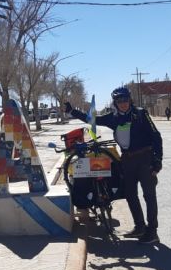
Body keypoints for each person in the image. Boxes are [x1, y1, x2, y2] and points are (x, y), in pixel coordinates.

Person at [64, 86, 163, 244]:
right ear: (115, 103)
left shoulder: (141, 114)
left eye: (125, 100)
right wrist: (72, 111)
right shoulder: (114, 118)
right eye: (119, 101)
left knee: (149, 196)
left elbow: (156, 136)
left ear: (130, 99)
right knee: (130, 195)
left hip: (145, 159)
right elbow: (93, 120)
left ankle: (152, 232)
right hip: (127, 160)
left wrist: (158, 160)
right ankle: (140, 227)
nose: (123, 103)